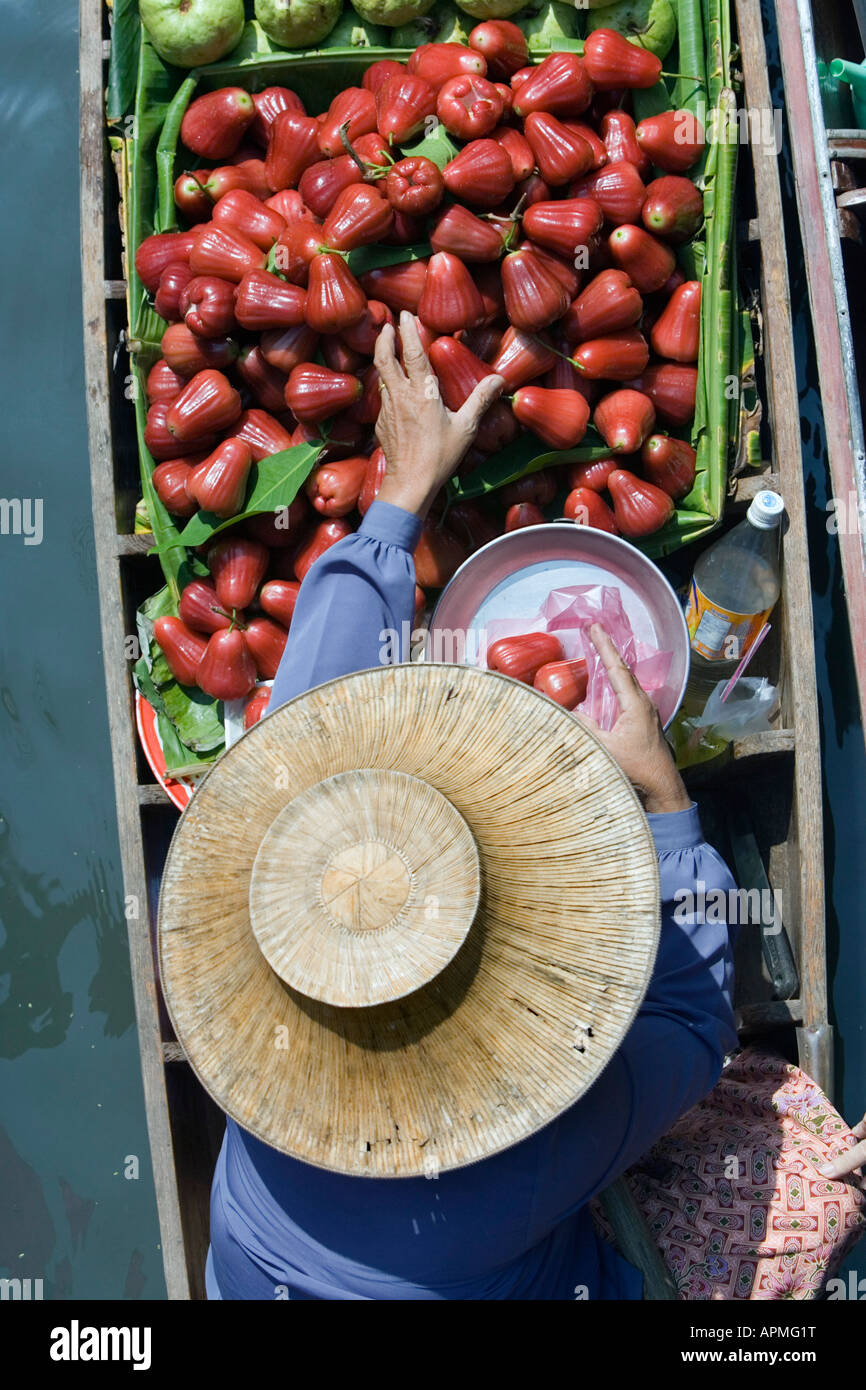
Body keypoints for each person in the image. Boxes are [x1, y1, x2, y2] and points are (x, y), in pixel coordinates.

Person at [204, 314, 740, 1301]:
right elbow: (690, 1022)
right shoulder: (519, 1160)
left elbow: (307, 733)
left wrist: (398, 498)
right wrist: (661, 797)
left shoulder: (267, 994)